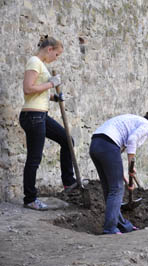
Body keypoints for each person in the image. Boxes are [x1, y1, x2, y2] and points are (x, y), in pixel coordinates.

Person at [19, 35, 77, 210]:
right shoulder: (34, 62)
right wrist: (51, 84)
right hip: (33, 116)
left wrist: (54, 97)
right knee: (34, 158)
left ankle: (69, 182)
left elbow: (38, 92)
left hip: (41, 115)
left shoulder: (40, 65)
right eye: (57, 54)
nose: (56, 58)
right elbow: (28, 88)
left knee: (68, 140)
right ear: (49, 49)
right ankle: (30, 198)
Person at [89, 111, 148, 234]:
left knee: (110, 189)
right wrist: (131, 164)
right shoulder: (146, 125)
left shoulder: (133, 121)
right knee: (116, 189)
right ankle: (110, 228)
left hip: (96, 145)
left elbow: (114, 162)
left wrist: (125, 179)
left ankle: (123, 226)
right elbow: (132, 140)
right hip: (108, 145)